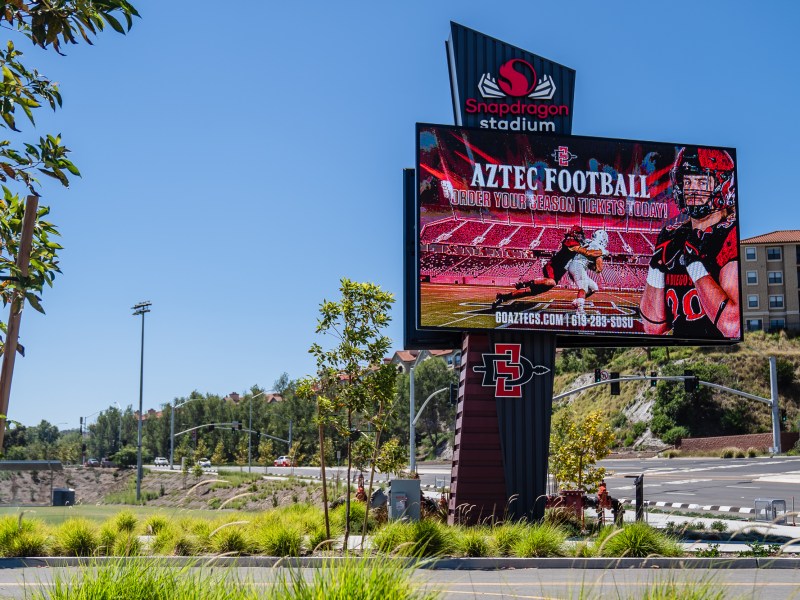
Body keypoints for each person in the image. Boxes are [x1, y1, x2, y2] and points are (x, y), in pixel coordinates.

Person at [640, 147, 740, 339]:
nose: (693, 189)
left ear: (723, 185)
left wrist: (695, 265)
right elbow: (653, 328)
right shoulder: (673, 236)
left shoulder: (730, 234)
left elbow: (731, 325)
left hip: (718, 353)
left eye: (702, 181)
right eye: (687, 181)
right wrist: (656, 268)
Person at [492, 225, 602, 309]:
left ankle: (503, 297)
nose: (581, 236)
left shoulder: (574, 242)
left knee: (530, 292)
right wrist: (600, 251)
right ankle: (525, 282)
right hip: (553, 267)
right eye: (579, 234)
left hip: (558, 272)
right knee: (551, 282)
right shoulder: (570, 242)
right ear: (574, 234)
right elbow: (585, 251)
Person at [566, 229, 609, 314]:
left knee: (593, 287)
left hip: (575, 264)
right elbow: (598, 269)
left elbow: (587, 259)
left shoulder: (589, 242)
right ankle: (580, 309)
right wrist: (602, 255)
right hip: (577, 265)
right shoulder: (599, 248)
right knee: (584, 287)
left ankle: (577, 302)